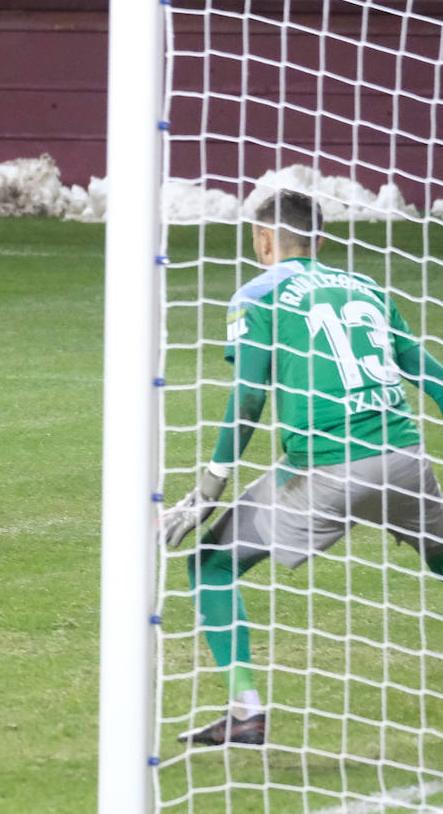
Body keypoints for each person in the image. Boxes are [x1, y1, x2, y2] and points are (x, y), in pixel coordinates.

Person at [160, 190, 443, 746]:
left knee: (210, 566)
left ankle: (246, 714)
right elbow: (429, 374)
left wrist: (209, 487)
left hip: (328, 471)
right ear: (319, 240)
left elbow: (247, 399)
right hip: (407, 458)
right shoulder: (368, 288)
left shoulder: (257, 292)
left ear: (264, 240)